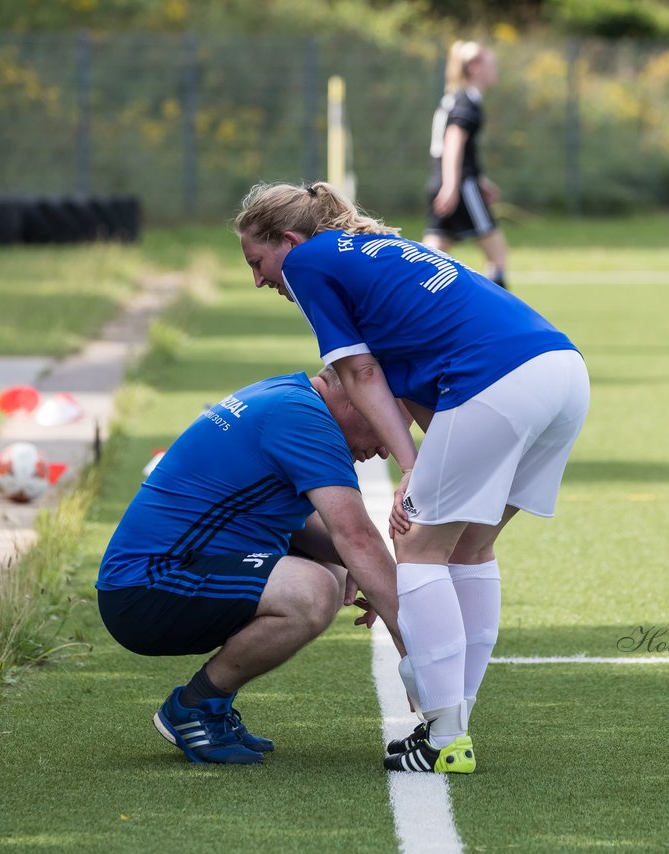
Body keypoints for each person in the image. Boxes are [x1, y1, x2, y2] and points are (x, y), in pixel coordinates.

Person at [235, 182, 589, 774]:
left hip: (498, 381)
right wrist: (420, 467)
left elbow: (360, 372)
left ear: (289, 242)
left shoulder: (310, 263)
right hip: (561, 372)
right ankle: (451, 723)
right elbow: (420, 381)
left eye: (258, 262)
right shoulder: (375, 249)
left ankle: (444, 731)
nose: (260, 279)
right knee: (469, 546)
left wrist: (412, 467)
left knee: (419, 547)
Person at [96, 366, 405, 765]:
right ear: (355, 398)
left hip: (155, 574)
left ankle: (214, 711)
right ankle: (195, 707)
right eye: (388, 424)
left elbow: (306, 527)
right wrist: (415, 658)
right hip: (144, 589)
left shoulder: (287, 395)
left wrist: (358, 567)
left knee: (333, 569)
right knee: (313, 590)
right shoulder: (303, 418)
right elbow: (357, 535)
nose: (385, 449)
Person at [424, 40, 509, 290]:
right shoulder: (465, 102)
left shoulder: (456, 98)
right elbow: (452, 142)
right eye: (490, 62)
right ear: (474, 67)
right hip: (459, 185)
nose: (495, 67)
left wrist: (481, 181)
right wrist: (453, 186)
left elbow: (458, 149)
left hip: (445, 181)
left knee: (430, 252)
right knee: (497, 254)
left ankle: (402, 296)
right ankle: (497, 316)